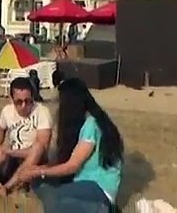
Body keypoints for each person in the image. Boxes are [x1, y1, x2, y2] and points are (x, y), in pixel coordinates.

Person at [16, 77, 124, 211]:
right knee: (42, 187)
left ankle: (99, 209)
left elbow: (72, 166)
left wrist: (39, 171)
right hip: (89, 186)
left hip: (98, 189)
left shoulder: (91, 125)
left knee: (52, 199)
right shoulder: (99, 120)